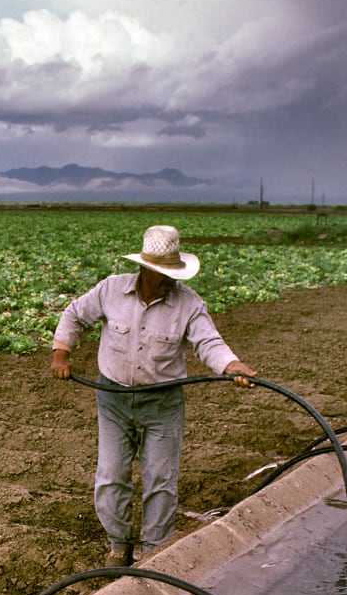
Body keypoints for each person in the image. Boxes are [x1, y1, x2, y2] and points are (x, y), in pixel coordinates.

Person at [49, 225, 257, 566]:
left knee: (160, 479)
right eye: (162, 275)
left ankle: (153, 552)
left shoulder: (188, 303)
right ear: (144, 269)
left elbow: (208, 342)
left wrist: (231, 365)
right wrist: (61, 353)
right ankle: (118, 546)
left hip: (162, 402)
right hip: (113, 398)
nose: (169, 282)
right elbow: (74, 315)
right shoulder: (111, 290)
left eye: (172, 275)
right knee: (111, 475)